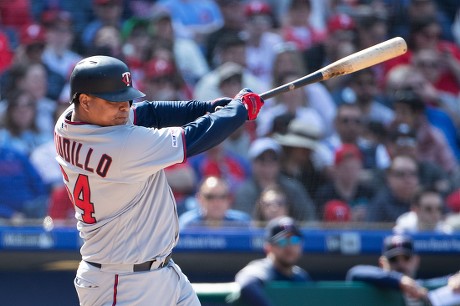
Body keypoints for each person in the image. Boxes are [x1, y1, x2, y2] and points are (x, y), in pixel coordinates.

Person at [54, 55, 264, 305]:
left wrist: (207, 107)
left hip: (157, 270)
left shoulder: (68, 121)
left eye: (126, 98)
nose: (124, 107)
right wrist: (238, 111)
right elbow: (194, 138)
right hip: (121, 283)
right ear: (85, 101)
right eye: (115, 101)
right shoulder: (122, 146)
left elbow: (148, 113)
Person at [346, 234, 458, 306]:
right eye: (393, 259)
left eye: (406, 258)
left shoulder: (423, 286)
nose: (401, 264)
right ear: (382, 263)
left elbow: (447, 281)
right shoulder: (375, 288)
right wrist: (399, 280)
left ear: (416, 261)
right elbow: (354, 272)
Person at [233, 137, 316, 222]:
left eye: (273, 158)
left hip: (288, 234)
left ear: (280, 162)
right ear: (253, 163)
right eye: (262, 159)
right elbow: (243, 225)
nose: (268, 164)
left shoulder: (293, 188)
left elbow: (309, 220)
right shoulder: (245, 192)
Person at [235, 216, 312, 306]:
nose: (289, 246)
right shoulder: (263, 268)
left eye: (294, 240)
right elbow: (247, 284)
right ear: (268, 247)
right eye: (282, 241)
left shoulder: (301, 277)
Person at [179, 176, 251, 229]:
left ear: (229, 200)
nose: (216, 202)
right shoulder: (187, 224)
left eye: (222, 196)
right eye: (210, 197)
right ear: (199, 199)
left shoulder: (241, 223)